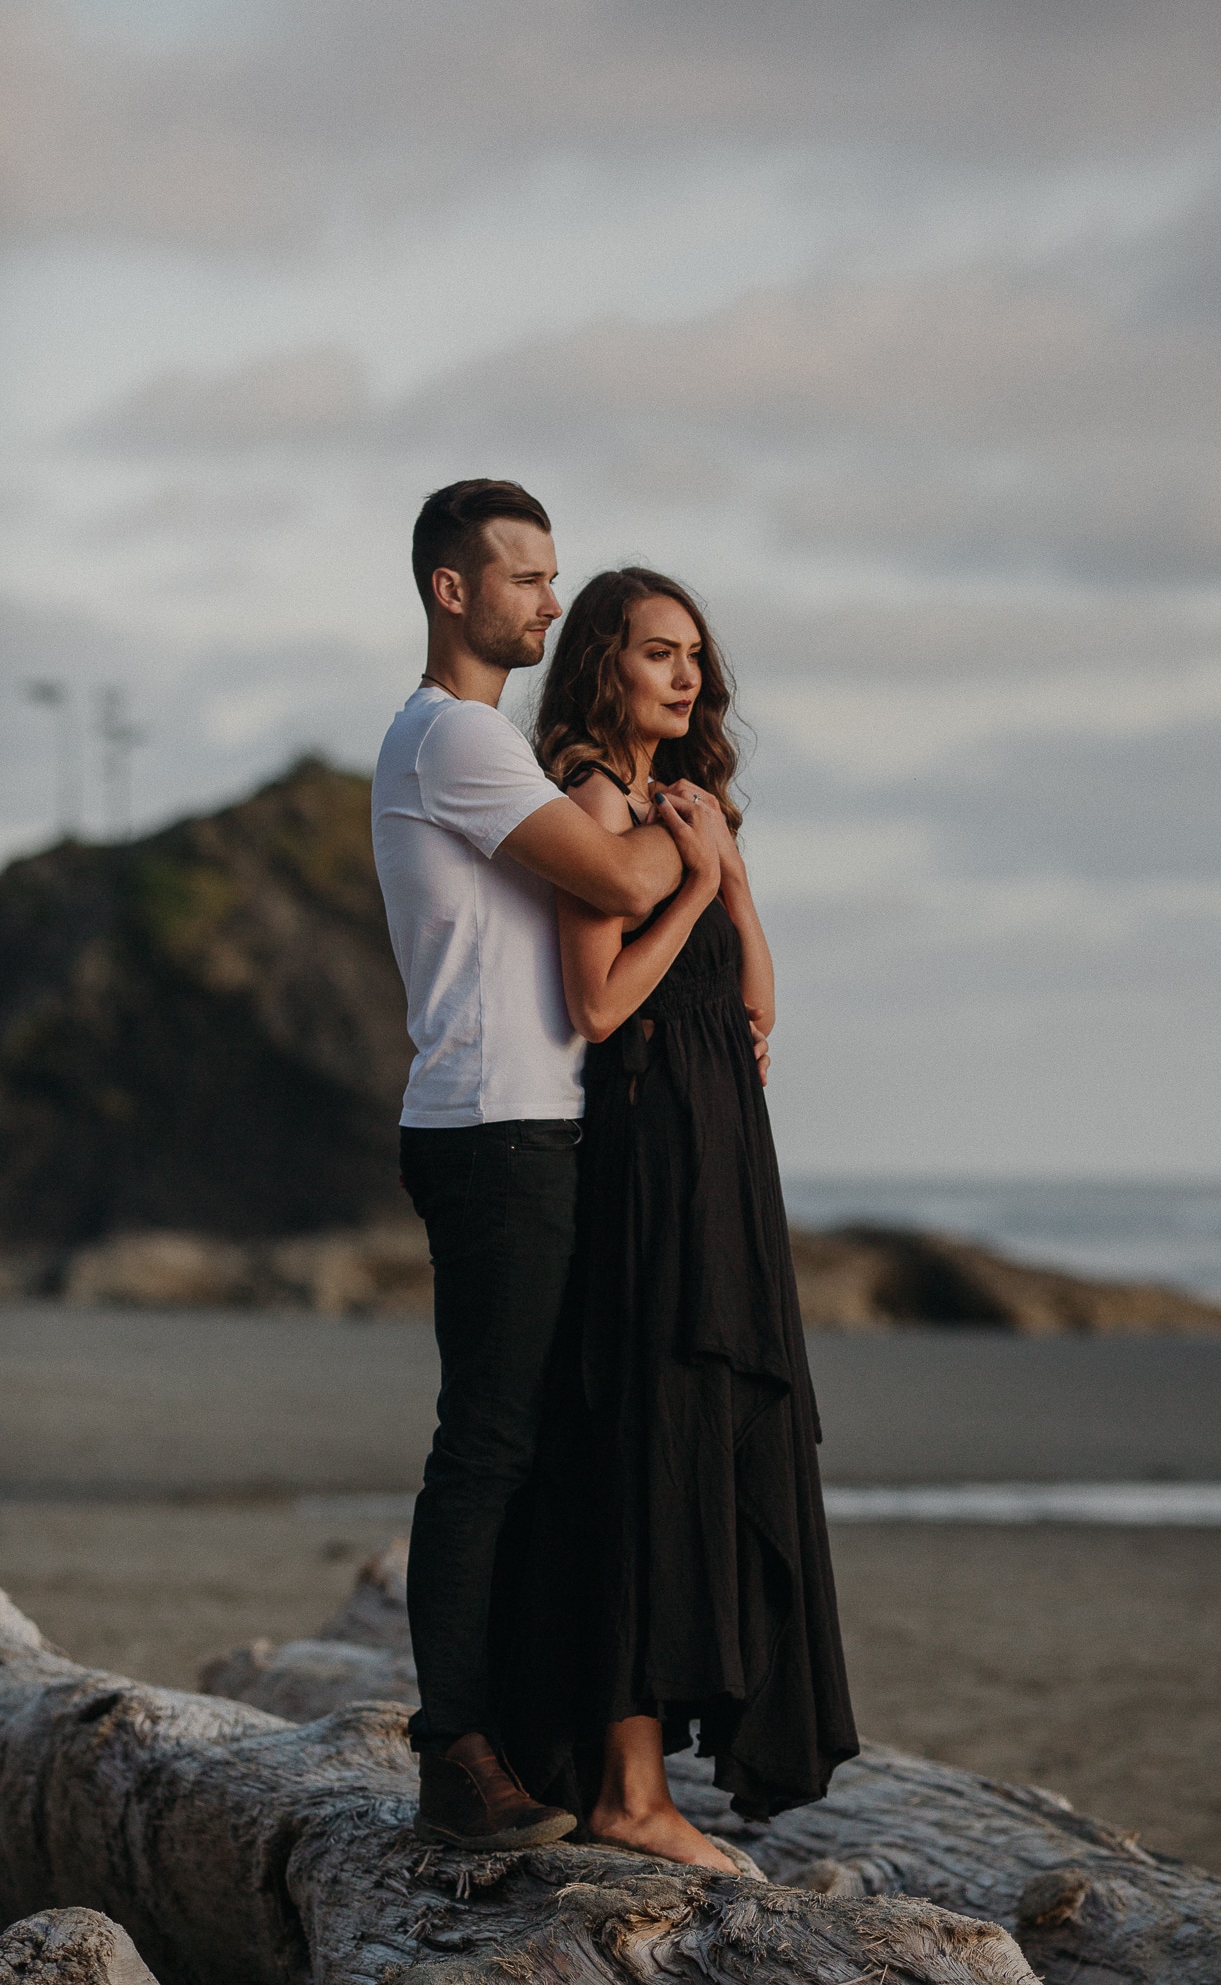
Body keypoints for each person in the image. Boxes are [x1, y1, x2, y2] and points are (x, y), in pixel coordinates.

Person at [493, 568, 857, 1870]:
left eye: (694, 654)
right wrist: (695, 887)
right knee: (647, 1446)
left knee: (704, 1439)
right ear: (603, 664)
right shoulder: (591, 800)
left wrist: (731, 880)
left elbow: (754, 1012)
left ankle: (641, 1782)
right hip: (646, 1158)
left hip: (722, 1151)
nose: (685, 674)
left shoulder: (692, 804)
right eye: (657, 653)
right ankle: (624, 1794)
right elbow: (595, 1007)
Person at [371, 483, 695, 1852]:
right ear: (454, 591)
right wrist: (685, 843)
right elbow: (614, 885)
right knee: (489, 1448)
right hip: (494, 1129)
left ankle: (515, 1737)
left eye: (554, 580)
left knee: (529, 1444)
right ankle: (454, 1752)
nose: (548, 605)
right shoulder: (454, 739)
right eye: (523, 579)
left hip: (522, 1123)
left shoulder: (475, 743)